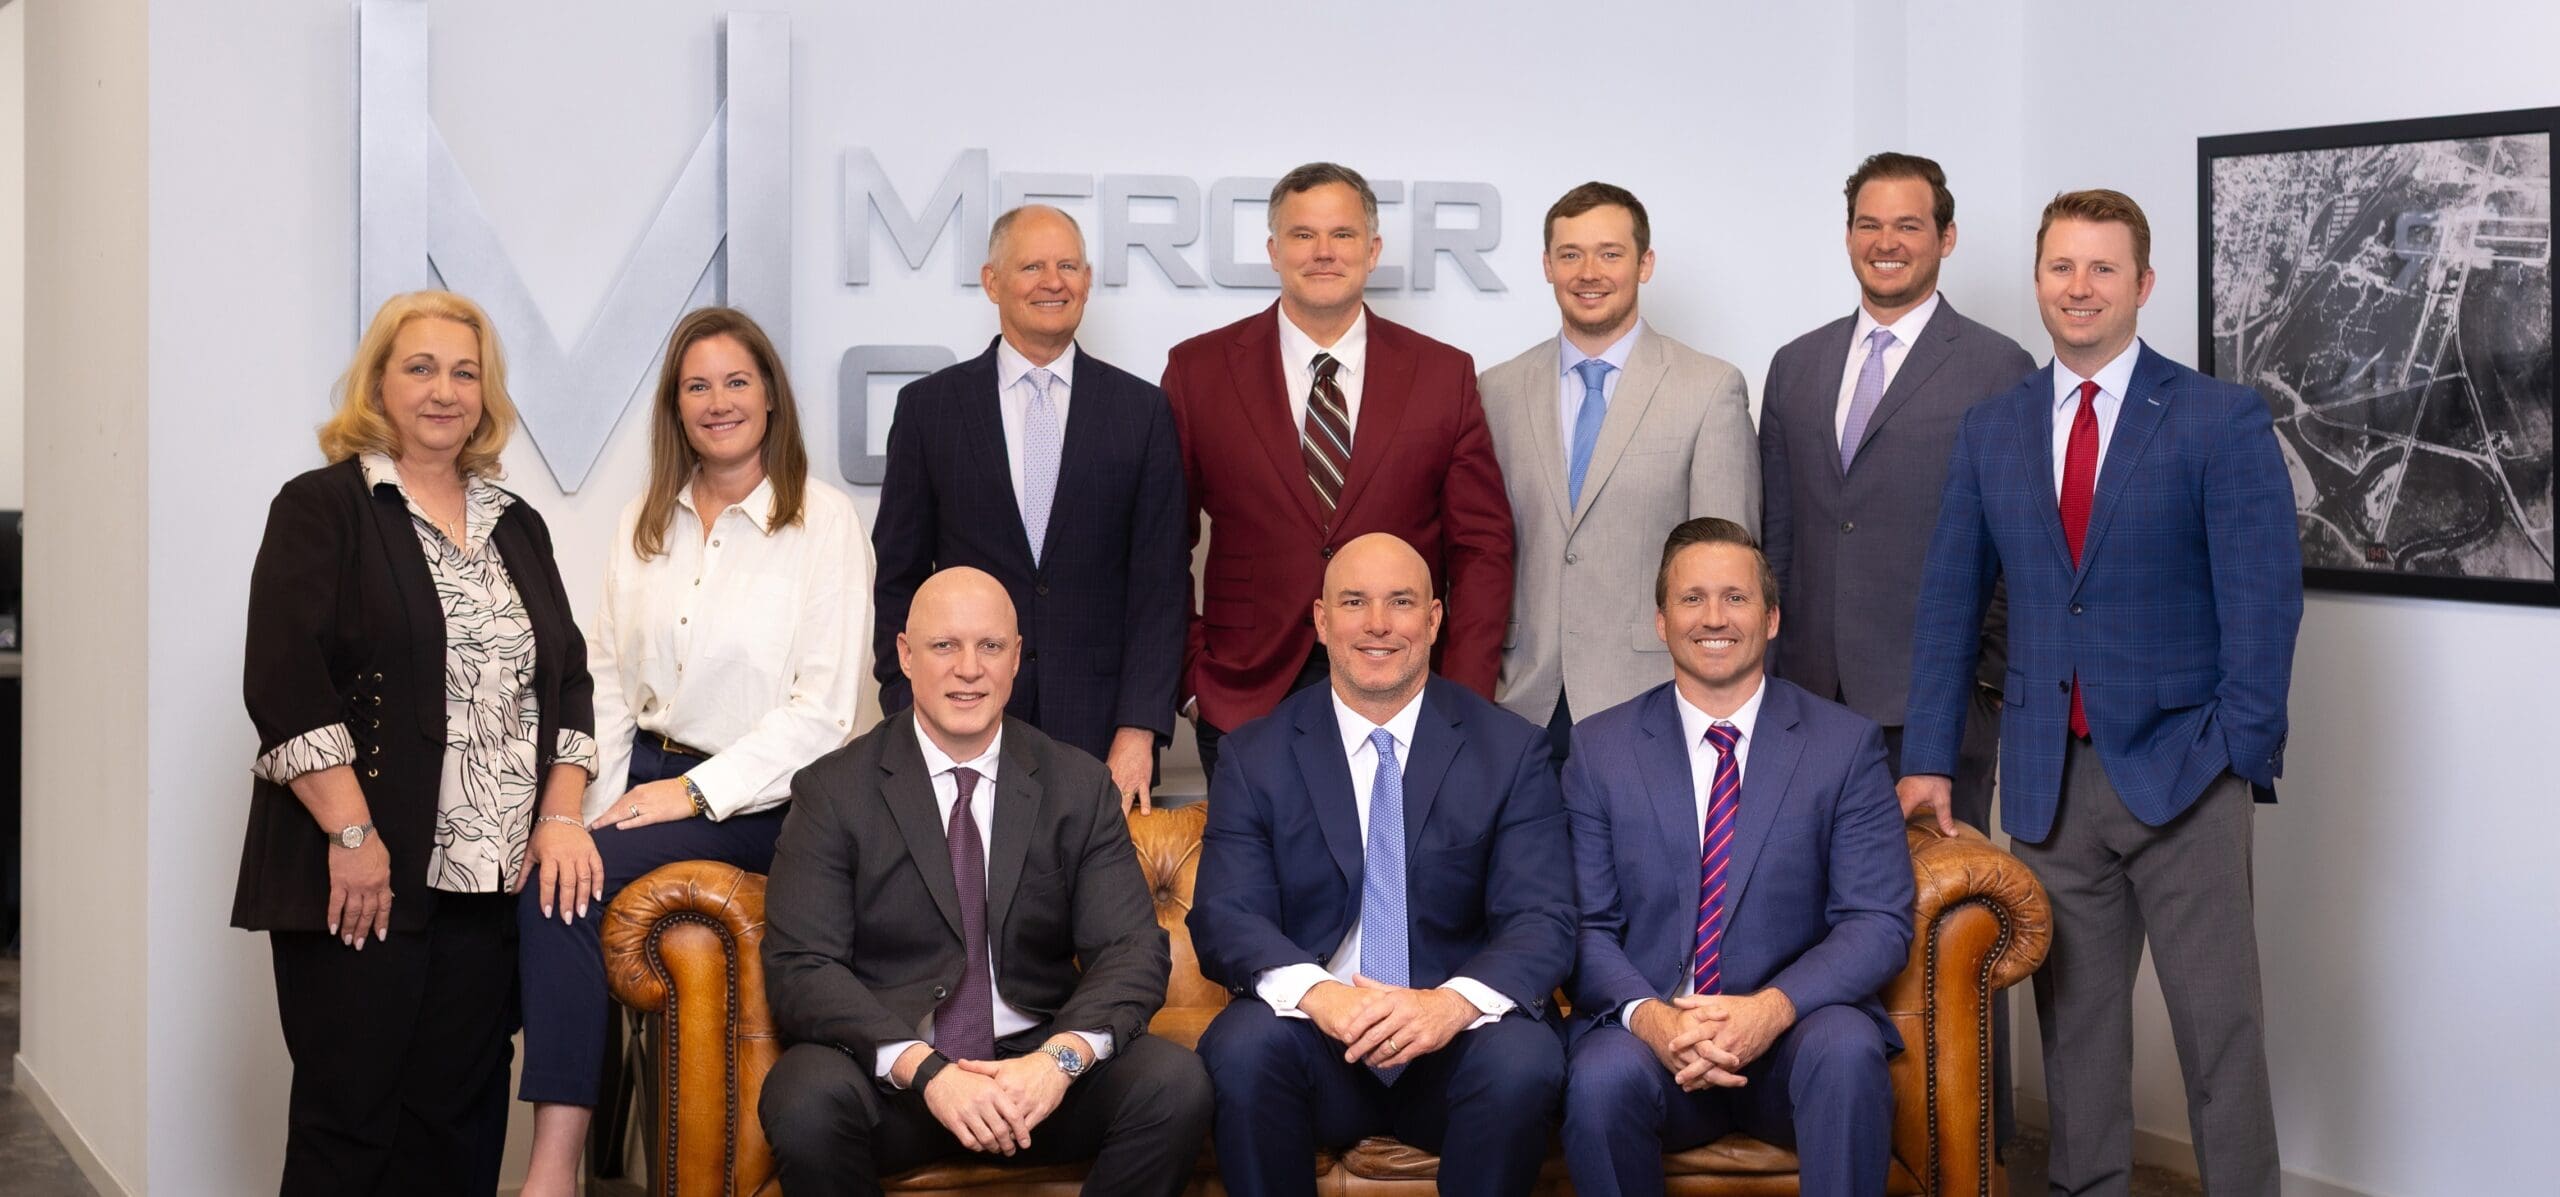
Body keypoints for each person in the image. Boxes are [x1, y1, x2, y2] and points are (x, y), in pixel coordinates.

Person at [1902, 189, 2303, 1197]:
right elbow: (1949, 603)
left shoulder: (2216, 418)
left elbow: (2263, 601)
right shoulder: (1993, 427)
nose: (2078, 288)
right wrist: (1929, 759)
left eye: (2102, 268)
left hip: (2186, 771)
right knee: (2074, 1040)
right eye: (2061, 267)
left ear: (2142, 284)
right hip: (2047, 780)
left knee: (2218, 1030)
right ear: (2039, 278)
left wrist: (2236, 748)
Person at [233, 290, 596, 1195]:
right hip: (363, 879)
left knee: (460, 1134)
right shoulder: (323, 507)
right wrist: (352, 834)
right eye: (421, 368)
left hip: (488, 892)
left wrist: (560, 816)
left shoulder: (517, 522)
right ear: (379, 385)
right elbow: (284, 681)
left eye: (465, 372)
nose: (445, 390)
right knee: (351, 1128)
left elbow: (569, 682)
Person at [513, 306, 871, 1195]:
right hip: (639, 776)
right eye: (697, 386)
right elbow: (603, 680)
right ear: (676, 407)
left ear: (771, 397)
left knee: (561, 891)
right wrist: (584, 808)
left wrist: (693, 792)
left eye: (737, 382)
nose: (719, 402)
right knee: (549, 863)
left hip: (763, 801)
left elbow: (822, 714)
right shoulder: (645, 519)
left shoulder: (823, 522)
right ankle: (577, 1157)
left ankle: (553, 1170)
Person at [757, 567, 1211, 1197]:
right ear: (906, 655)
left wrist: (1056, 1063)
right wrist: (928, 1073)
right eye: (944, 645)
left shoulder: (1077, 786)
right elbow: (803, 967)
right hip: (900, 1080)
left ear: (1016, 658)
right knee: (802, 1097)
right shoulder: (832, 791)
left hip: (1037, 1076)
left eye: (990, 646)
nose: (968, 669)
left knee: (1174, 1084)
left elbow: (1132, 952)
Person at [1755, 151, 2035, 1146]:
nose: (1886, 243)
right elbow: (1779, 537)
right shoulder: (1795, 365)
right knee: (1798, 922)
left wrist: (1974, 691)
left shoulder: (1997, 366)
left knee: (1945, 931)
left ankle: (1966, 1149)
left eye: (1908, 225)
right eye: (1869, 224)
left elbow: (2015, 554)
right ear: (1848, 237)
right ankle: (1828, 1130)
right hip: (1803, 705)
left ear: (1944, 238)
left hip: (1928, 708)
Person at [1188, 533, 1571, 1197]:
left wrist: (1448, 1005)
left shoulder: (1511, 751)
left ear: (1434, 618)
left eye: (1400, 601)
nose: (1377, 624)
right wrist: (1323, 997)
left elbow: (1542, 921)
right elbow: (1226, 915)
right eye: (1353, 602)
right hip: (1317, 1036)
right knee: (1241, 1048)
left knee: (1525, 1058)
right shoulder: (1255, 755)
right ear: (1321, 619)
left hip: (1456, 1041)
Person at [1557, 517, 1912, 1197]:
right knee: (1599, 1077)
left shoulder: (1844, 746)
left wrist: (1770, 1011)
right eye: (1692, 598)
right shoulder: (1600, 750)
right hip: (1656, 1039)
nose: (1714, 617)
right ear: (1662, 622)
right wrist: (1654, 1019)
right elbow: (1584, 926)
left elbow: (1876, 921)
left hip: (1794, 1034)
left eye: (1736, 597)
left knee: (1847, 1050)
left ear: (1771, 619)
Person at [1161, 162, 1513, 779]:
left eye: (1342, 235)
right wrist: (1193, 682)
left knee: (1401, 847)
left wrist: (1462, 695)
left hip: (1406, 689)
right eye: (1303, 235)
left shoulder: (1442, 374)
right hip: (1246, 694)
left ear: (1372, 251)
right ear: (1274, 251)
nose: (1323, 252)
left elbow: (1482, 548)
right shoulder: (1199, 371)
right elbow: (1159, 545)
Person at [873, 205, 1186, 811]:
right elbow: (899, 580)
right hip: (962, 717)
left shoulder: (1141, 412)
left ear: (1087, 282)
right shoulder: (929, 409)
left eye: (1068, 266)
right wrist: (908, 705)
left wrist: (1140, 728)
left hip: (1101, 734)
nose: (1053, 282)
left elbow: (1161, 588)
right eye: (1032, 266)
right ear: (993, 281)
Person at [1479, 181, 1758, 765]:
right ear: (1547, 265)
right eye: (1571, 254)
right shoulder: (1496, 390)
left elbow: (1728, 566)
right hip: (1521, 701)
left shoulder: (1709, 388)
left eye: (1610, 253)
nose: (1590, 273)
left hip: (1652, 699)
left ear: (1644, 264)